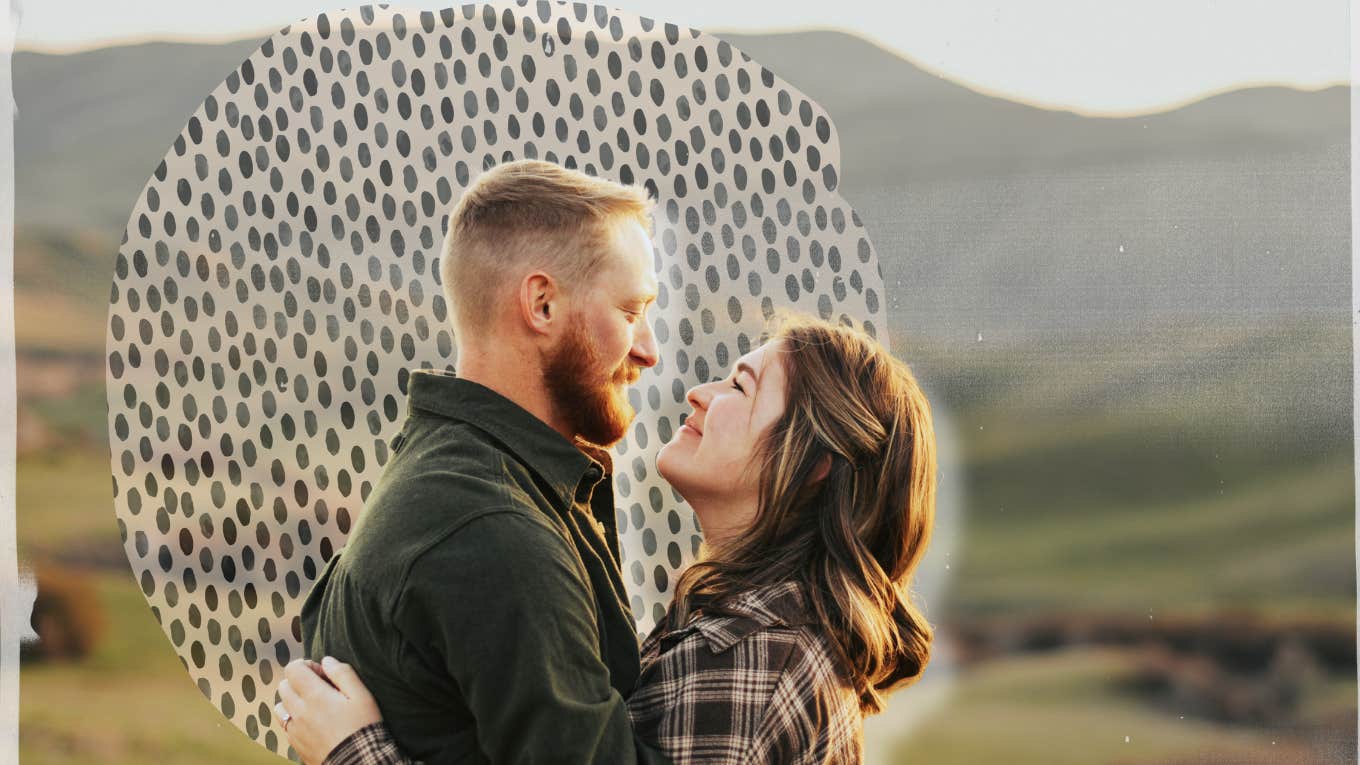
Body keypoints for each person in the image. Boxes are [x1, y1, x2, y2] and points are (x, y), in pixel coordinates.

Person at [280, 314, 939, 765]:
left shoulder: (754, 662)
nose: (699, 393)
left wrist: (356, 749)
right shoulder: (756, 635)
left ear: (815, 463)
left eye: (740, 384)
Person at [295, 158, 672, 764]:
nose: (650, 350)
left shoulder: (461, 476)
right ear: (542, 304)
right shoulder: (493, 531)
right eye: (631, 312)